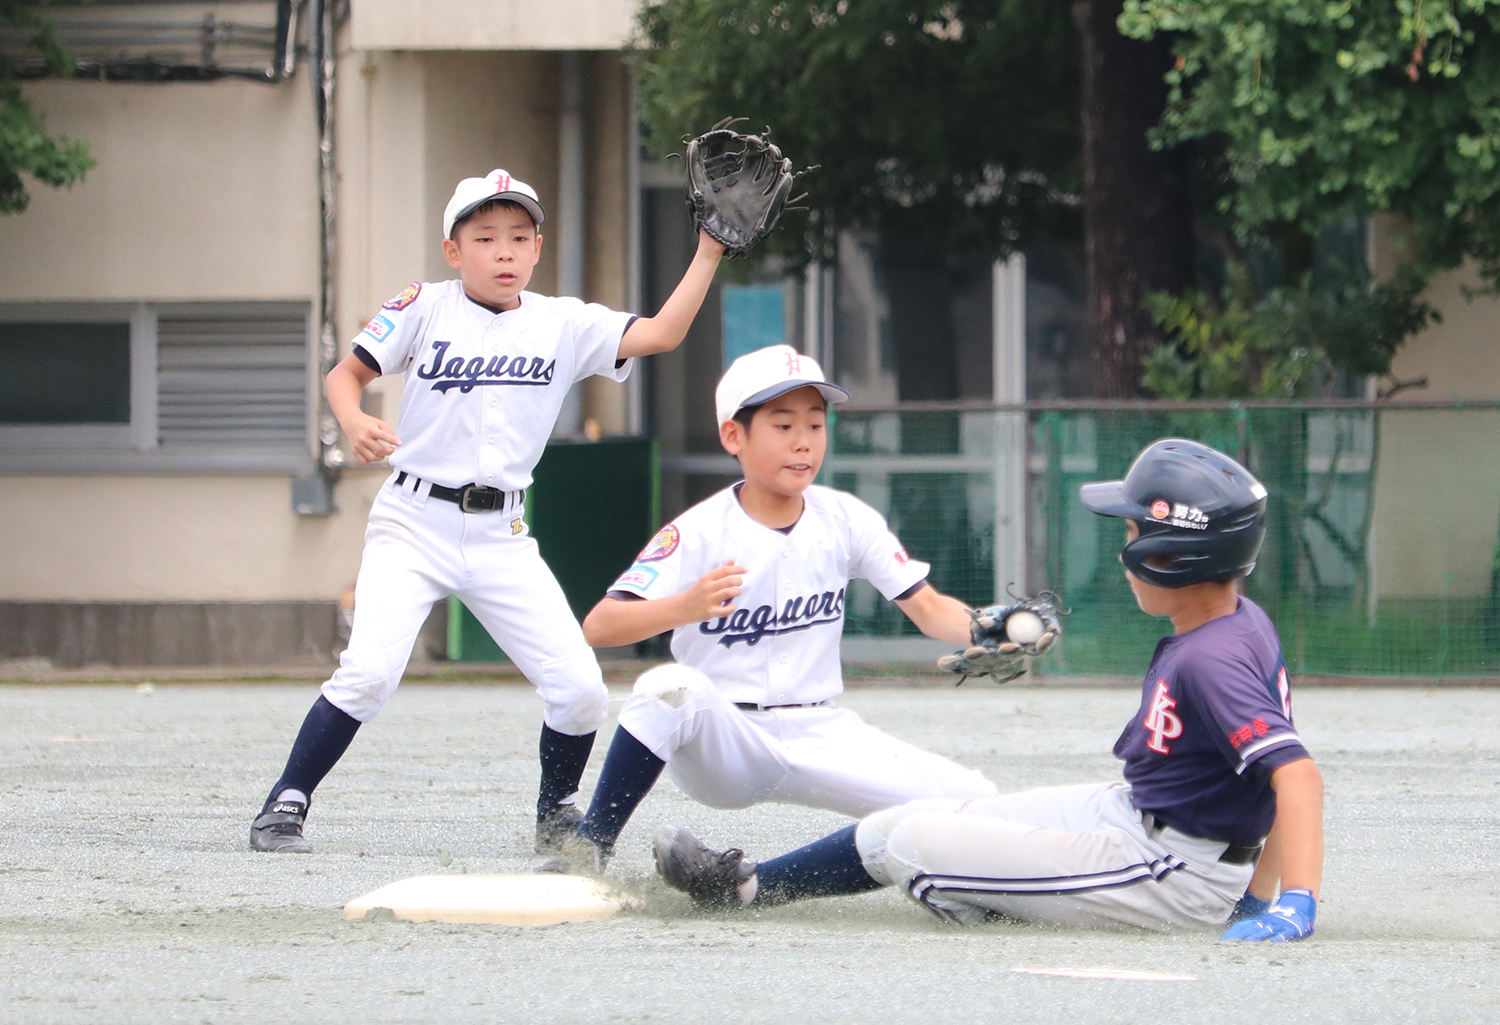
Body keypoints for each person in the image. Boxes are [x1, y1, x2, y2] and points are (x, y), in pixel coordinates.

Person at [653, 439, 1326, 944]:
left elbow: (1293, 776)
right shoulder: (1234, 620)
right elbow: (1256, 781)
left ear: (1173, 554)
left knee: (915, 848)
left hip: (1170, 870)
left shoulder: (1212, 658)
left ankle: (1004, 898)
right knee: (914, 817)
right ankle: (747, 887)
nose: (1124, 552)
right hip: (1139, 819)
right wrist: (1252, 893)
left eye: (1131, 532)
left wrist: (1291, 900)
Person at [249, 169, 726, 854]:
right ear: (453, 250)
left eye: (519, 236)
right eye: (485, 237)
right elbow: (345, 373)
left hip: (502, 533)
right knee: (370, 673)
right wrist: (351, 419)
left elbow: (661, 334)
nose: (504, 250)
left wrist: (708, 250)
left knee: (580, 689)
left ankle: (556, 813)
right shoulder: (424, 306)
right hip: (413, 522)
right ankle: (285, 803)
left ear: (538, 249)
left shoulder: (563, 322)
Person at [544, 344, 999, 873]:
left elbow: (929, 609)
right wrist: (685, 606)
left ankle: (742, 884)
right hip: (726, 738)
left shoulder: (845, 517)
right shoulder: (698, 530)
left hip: (821, 730)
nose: (803, 442)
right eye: (783, 426)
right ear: (733, 436)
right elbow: (600, 626)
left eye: (815, 425)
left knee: (976, 803)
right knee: (667, 688)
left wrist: (992, 629)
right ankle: (589, 850)